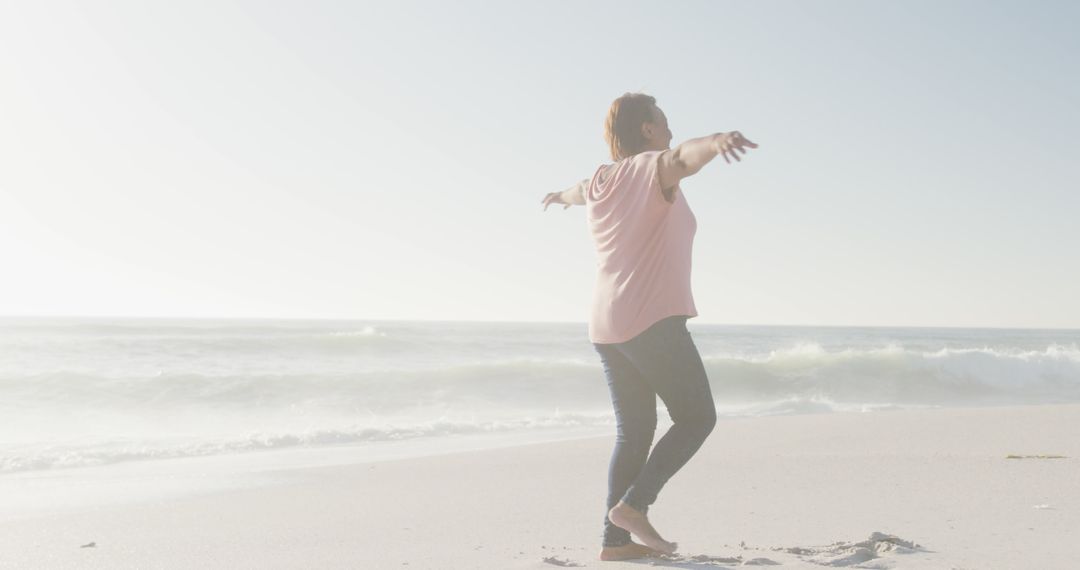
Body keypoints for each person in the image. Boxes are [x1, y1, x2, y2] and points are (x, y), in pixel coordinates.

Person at [541, 93, 758, 561]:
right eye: (664, 122)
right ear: (647, 130)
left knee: (634, 433)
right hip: (650, 318)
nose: (671, 131)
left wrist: (559, 196)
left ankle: (614, 544)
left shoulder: (600, 180)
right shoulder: (650, 167)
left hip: (606, 325)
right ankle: (635, 507)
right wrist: (717, 142)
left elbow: (577, 192)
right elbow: (684, 156)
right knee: (697, 417)